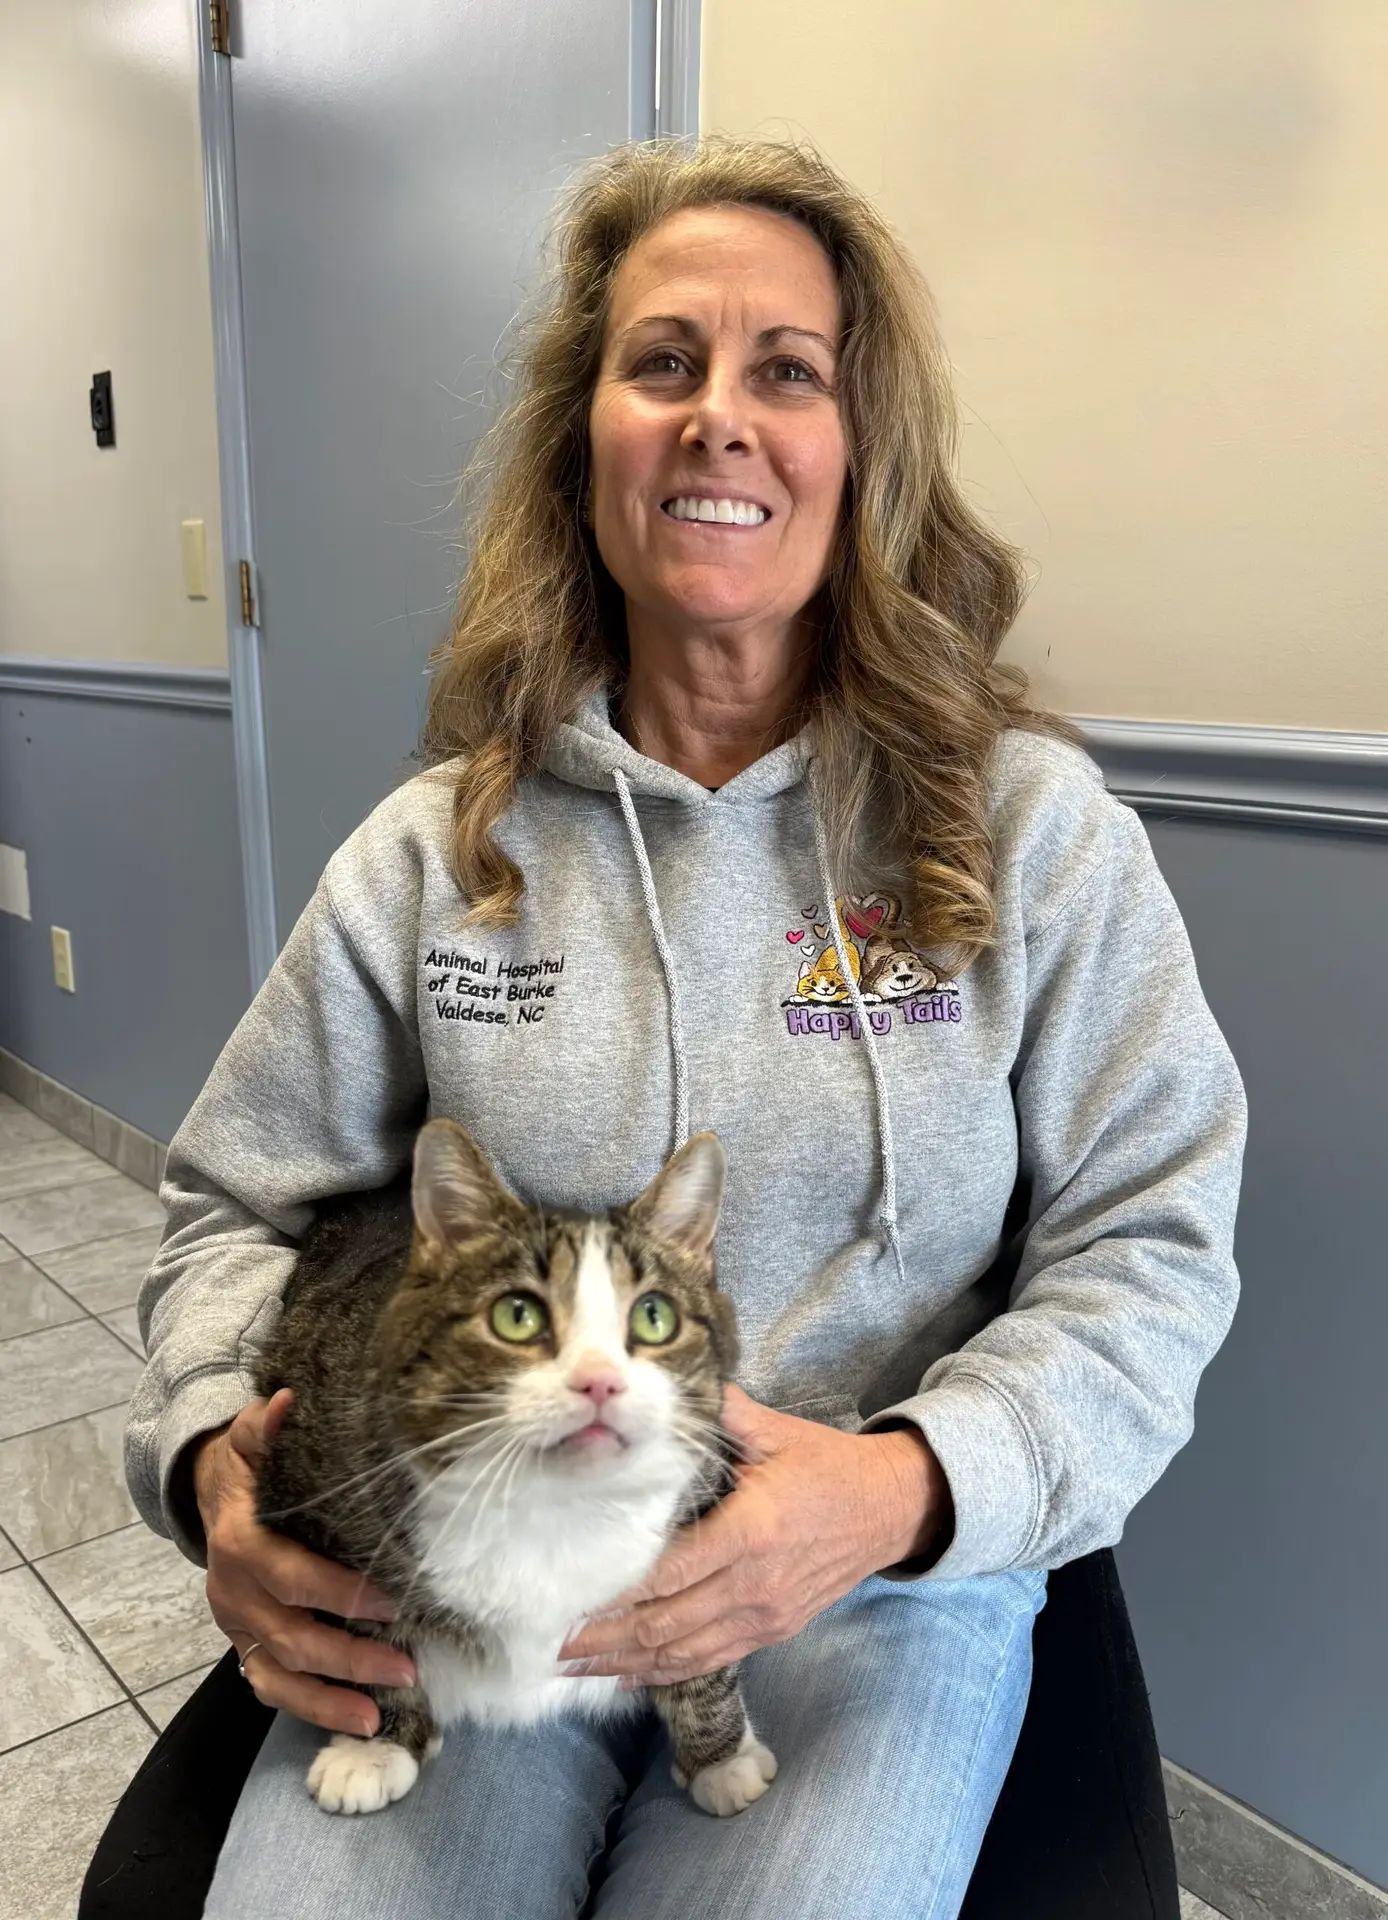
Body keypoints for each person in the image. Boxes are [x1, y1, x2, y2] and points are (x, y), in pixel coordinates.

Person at [125, 136, 1246, 1918]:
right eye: (664, 363)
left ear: (860, 451)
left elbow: (1156, 1252)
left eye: (786, 372)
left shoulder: (1034, 834)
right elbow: (228, 1210)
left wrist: (905, 1490)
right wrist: (209, 1464)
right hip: (484, 1549)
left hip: (875, 1576)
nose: (720, 418)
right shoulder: (434, 854)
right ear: (585, 448)